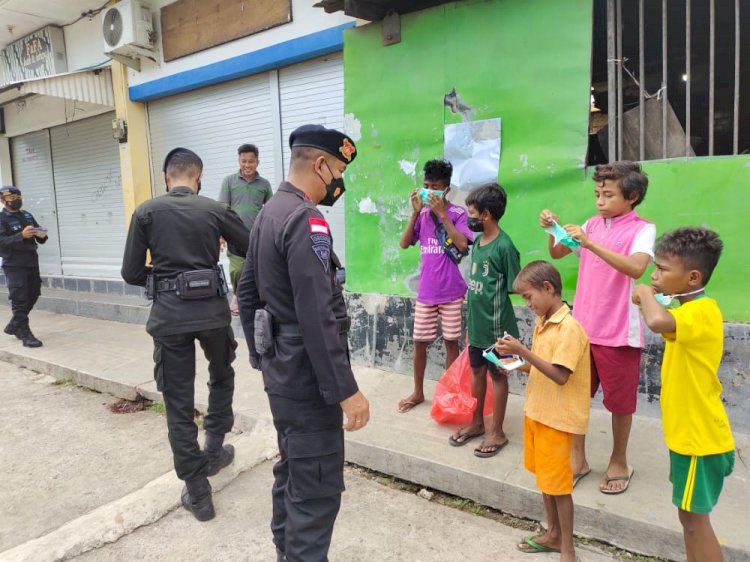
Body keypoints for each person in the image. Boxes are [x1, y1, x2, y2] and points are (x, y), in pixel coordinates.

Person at [237, 125, 370, 562]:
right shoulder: (305, 218)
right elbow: (317, 314)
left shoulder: (270, 211)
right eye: (339, 169)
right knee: (315, 487)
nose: (340, 182)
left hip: (284, 374)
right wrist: (345, 390)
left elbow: (246, 291)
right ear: (320, 164)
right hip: (308, 381)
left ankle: (285, 553)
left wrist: (264, 358)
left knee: (294, 470)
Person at [121, 147, 250, 522]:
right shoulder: (215, 210)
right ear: (199, 177)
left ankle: (198, 493)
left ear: (166, 176)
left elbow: (131, 272)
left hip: (169, 319)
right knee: (222, 376)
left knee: (177, 402)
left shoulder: (146, 212)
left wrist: (164, 281)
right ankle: (213, 450)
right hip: (212, 314)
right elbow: (249, 245)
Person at [540, 160, 654, 493]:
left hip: (618, 330)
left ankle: (619, 461)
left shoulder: (642, 229)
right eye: (597, 194)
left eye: (608, 195)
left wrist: (590, 243)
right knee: (575, 397)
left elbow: (635, 268)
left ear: (632, 196)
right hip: (583, 328)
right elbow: (559, 253)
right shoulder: (592, 223)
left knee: (620, 403)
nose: (600, 201)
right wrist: (553, 229)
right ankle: (578, 459)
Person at [632, 227, 734, 562]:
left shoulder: (701, 311)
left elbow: (657, 321)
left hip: (699, 439)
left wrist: (646, 292)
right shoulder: (686, 310)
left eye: (662, 269)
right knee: (688, 517)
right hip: (688, 437)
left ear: (692, 277)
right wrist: (653, 296)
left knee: (693, 521)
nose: (654, 274)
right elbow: (662, 316)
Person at [496, 260, 590, 562]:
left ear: (548, 288)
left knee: (560, 487)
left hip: (557, 418)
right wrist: (516, 363)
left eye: (528, 297)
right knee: (546, 481)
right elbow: (543, 365)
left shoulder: (570, 329)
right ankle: (552, 534)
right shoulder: (543, 322)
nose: (528, 304)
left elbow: (561, 375)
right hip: (538, 411)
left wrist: (523, 352)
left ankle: (568, 550)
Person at [449, 183, 520, 458]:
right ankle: (477, 422)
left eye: (472, 213)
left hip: (499, 329)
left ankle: (497, 431)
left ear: (487, 215)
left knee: (498, 374)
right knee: (476, 372)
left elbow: (515, 284)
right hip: (477, 326)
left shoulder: (505, 246)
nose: (470, 218)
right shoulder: (478, 242)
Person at [398, 159, 472, 413]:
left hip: (452, 292)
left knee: (451, 342)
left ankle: (450, 392)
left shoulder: (458, 213)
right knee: (419, 342)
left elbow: (462, 245)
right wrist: (415, 212)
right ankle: (418, 392)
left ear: (446, 190)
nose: (429, 191)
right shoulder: (423, 215)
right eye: (426, 185)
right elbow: (405, 242)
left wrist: (442, 215)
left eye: (435, 187)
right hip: (426, 293)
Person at [218, 143, 273, 315]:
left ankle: (253, 298)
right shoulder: (229, 181)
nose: (247, 165)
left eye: (251, 161)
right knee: (237, 269)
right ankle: (237, 295)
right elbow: (222, 208)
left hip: (257, 234)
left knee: (257, 268)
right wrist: (220, 233)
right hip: (234, 234)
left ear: (258, 162)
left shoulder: (264, 184)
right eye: (244, 161)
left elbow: (271, 209)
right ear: (239, 161)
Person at [0, 185, 47, 348]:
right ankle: (25, 334)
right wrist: (21, 235)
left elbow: (38, 236)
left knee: (34, 293)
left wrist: (42, 235)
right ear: (3, 200)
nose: (16, 201)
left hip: (31, 261)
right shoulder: (1, 219)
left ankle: (14, 325)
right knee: (20, 298)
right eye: (12, 199)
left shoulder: (27, 215)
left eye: (18, 198)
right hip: (14, 264)